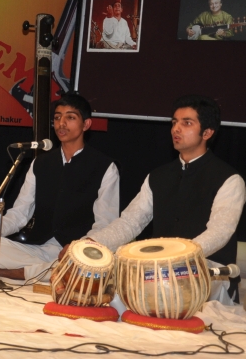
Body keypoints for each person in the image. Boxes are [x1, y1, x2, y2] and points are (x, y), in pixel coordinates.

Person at [83, 95, 245, 302]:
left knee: (163, 284)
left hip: (207, 270)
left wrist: (175, 258)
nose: (176, 129)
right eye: (174, 122)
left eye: (187, 123)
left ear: (207, 132)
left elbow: (220, 232)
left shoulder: (229, 179)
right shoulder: (157, 176)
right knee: (112, 276)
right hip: (158, 269)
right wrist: (92, 243)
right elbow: (130, 222)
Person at [0, 92, 119, 281]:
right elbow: (19, 214)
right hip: (37, 249)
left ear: (86, 124)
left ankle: (5, 272)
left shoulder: (105, 167)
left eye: (70, 118)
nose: (61, 124)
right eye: (57, 118)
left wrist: (79, 247)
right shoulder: (40, 163)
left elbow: (105, 224)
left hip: (74, 253)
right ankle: (43, 272)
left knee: (82, 263)